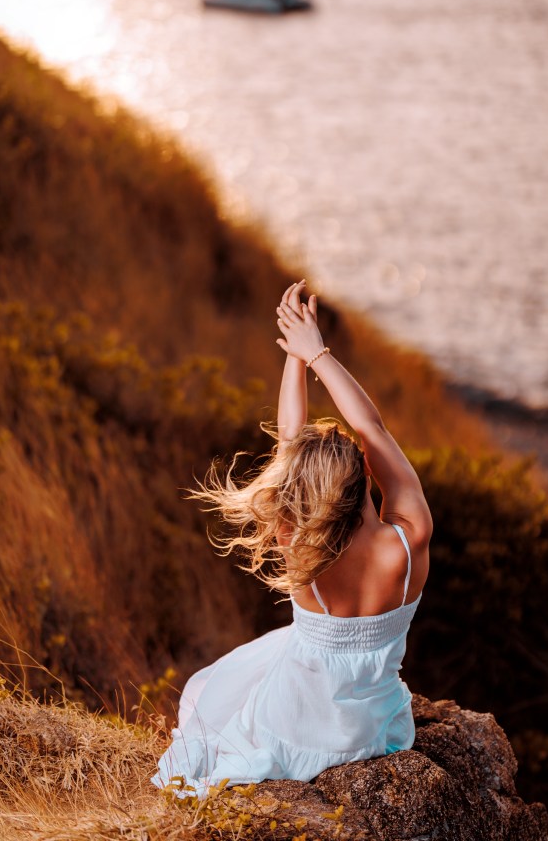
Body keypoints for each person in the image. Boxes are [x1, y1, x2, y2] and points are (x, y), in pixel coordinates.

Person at [152, 280, 433, 796]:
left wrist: (294, 360)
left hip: (294, 726)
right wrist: (317, 352)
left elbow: (288, 439)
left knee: (210, 692)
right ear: (365, 471)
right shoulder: (408, 545)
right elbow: (374, 428)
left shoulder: (299, 545)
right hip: (373, 732)